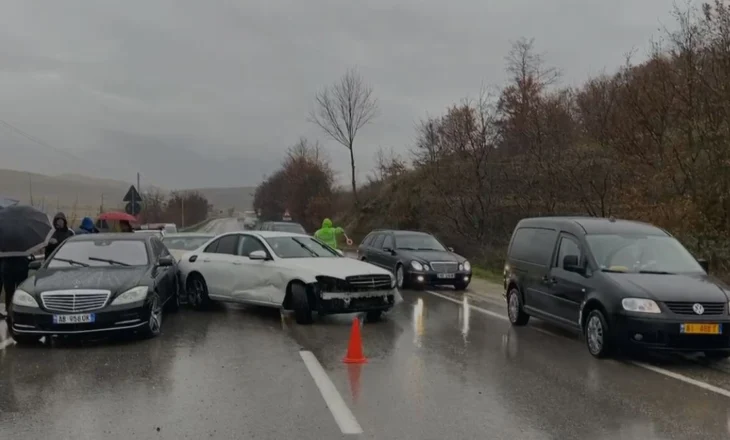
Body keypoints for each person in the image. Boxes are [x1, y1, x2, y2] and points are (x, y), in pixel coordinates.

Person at [1, 255, 30, 319]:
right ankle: (20, 311)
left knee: (9, 291)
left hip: (8, 266)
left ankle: (9, 311)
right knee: (20, 291)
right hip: (21, 266)